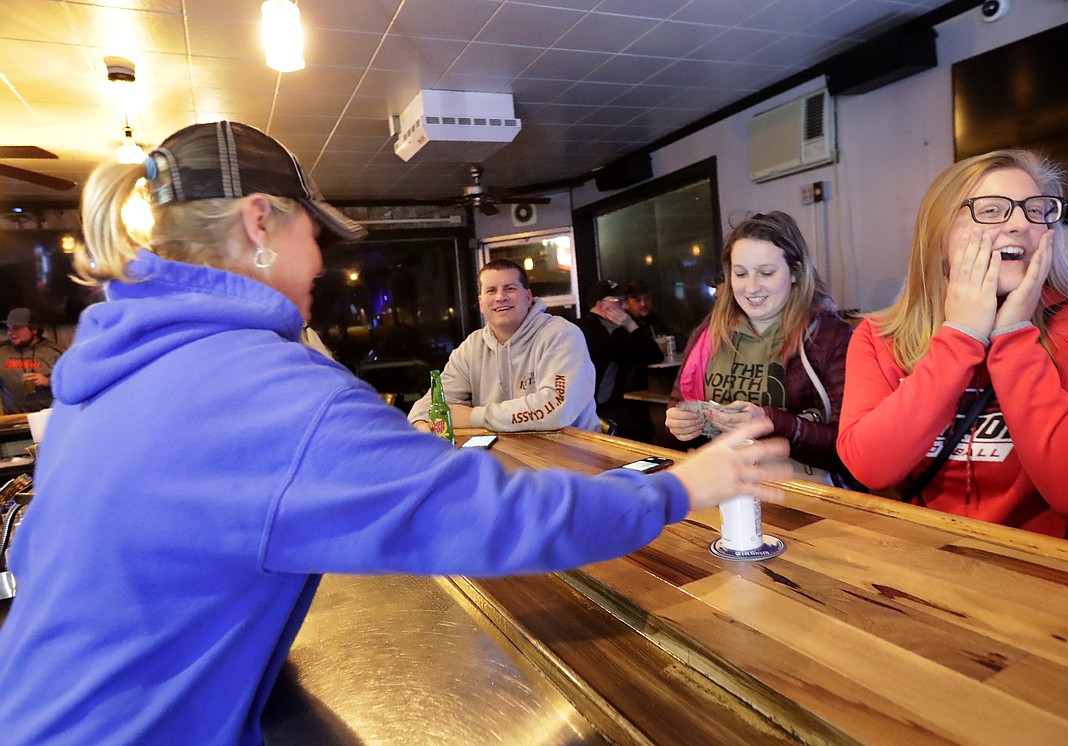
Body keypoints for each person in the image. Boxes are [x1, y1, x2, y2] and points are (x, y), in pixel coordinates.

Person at [0, 121, 793, 745]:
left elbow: (44, 558)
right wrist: (682, 487)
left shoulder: (98, 376)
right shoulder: (266, 387)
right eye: (316, 234)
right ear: (260, 223)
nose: (320, 263)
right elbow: (491, 517)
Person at [837, 149, 1068, 549]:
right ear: (938, 236)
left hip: (1059, 572)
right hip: (924, 562)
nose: (1021, 224)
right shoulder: (878, 336)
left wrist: (1015, 339)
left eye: (1036, 210)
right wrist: (960, 338)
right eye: (991, 210)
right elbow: (871, 467)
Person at [665, 212, 855, 485]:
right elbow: (678, 405)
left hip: (803, 495)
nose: (751, 287)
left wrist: (770, 421)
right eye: (740, 273)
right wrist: (680, 424)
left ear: (794, 273)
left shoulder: (830, 337)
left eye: (766, 272)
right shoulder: (710, 331)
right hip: (723, 487)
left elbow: (846, 446)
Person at [407, 259, 600, 432]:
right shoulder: (473, 346)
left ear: (528, 296)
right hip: (509, 451)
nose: (501, 297)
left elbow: (556, 409)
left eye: (510, 288)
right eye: (491, 290)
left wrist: (473, 417)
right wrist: (422, 424)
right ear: (481, 303)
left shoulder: (561, 334)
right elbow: (432, 403)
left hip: (574, 454)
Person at [578, 278, 664, 442]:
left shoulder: (577, 326)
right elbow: (654, 354)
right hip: (600, 412)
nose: (624, 307)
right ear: (600, 305)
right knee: (646, 427)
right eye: (619, 301)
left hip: (577, 411)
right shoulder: (612, 333)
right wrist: (631, 325)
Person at [0, 307, 62, 414]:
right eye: (9, 328)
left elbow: (74, 385)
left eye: (17, 328)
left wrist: (49, 382)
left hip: (48, 416)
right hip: (14, 418)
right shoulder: (2, 352)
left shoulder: (55, 352)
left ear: (34, 329)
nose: (10, 332)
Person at [625, 279, 682, 349]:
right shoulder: (623, 325)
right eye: (638, 300)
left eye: (647, 299)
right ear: (627, 304)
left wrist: (663, 341)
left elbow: (682, 339)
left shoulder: (658, 319)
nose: (643, 304)